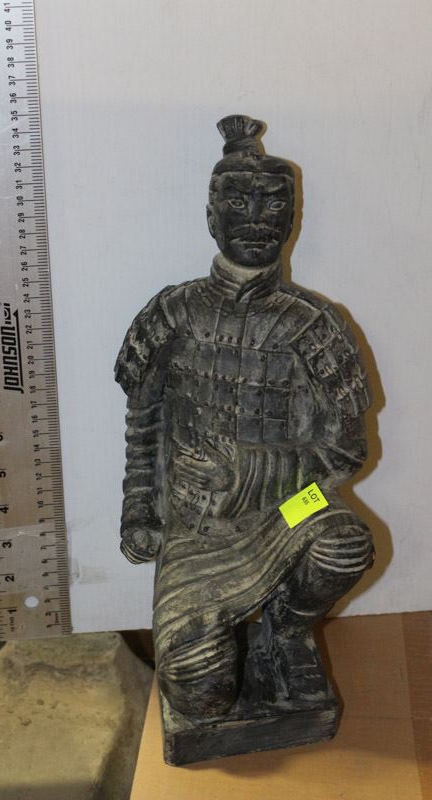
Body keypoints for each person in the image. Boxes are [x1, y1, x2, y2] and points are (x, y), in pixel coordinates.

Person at [115, 115, 374, 721]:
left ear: (292, 219)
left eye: (274, 205)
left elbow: (346, 450)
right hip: (198, 526)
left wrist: (249, 470)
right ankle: (210, 638)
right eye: (239, 203)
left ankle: (287, 631)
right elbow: (143, 423)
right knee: (203, 700)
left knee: (344, 543)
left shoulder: (314, 325)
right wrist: (139, 511)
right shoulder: (173, 313)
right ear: (212, 218)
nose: (257, 219)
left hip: (290, 508)